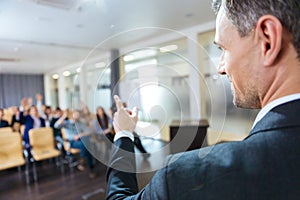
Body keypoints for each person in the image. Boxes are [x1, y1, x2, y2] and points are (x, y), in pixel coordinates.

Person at [106, 0, 300, 199]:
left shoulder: (185, 178)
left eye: (224, 49)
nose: (220, 68)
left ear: (268, 40)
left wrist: (123, 134)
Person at [54, 109, 96, 178]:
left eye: (78, 115)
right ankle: (89, 167)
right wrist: (64, 115)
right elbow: (56, 125)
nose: (77, 116)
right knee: (87, 145)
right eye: (75, 114)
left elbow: (89, 131)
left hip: (81, 140)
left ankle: (82, 161)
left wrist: (80, 135)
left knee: (86, 142)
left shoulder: (80, 123)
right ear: (72, 115)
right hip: (72, 142)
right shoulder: (66, 123)